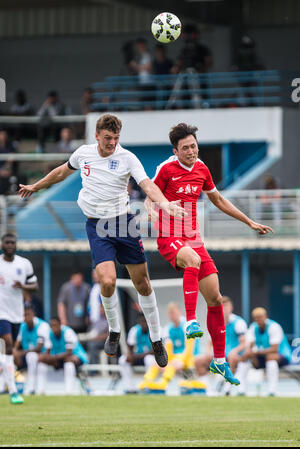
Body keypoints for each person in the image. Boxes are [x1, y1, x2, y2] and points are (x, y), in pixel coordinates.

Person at [19, 113, 186, 369]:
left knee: (142, 283)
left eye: (116, 138)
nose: (112, 143)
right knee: (106, 281)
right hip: (97, 225)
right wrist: (35, 186)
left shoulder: (127, 158)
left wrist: (164, 204)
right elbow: (61, 172)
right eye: (108, 138)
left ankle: (156, 338)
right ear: (97, 135)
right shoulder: (83, 153)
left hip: (124, 222)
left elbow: (147, 185)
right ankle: (114, 330)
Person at [145, 122, 273, 385]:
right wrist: (155, 213)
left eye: (194, 146)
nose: (191, 151)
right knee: (191, 259)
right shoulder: (166, 169)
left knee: (215, 298)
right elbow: (149, 196)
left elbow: (218, 199)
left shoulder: (202, 168)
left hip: (194, 239)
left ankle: (219, 361)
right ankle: (191, 321)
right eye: (186, 148)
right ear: (175, 150)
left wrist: (248, 222)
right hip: (170, 237)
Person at [0, 233, 38, 404]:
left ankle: (9, 386)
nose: (9, 245)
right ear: (2, 244)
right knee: (8, 344)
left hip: (17, 313)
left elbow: (35, 286)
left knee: (8, 352)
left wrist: (23, 286)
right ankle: (13, 390)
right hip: (1, 313)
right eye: (7, 242)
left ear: (16, 245)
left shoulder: (24, 264)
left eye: (12, 242)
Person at [138, 301, 202, 393]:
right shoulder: (168, 328)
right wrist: (165, 362)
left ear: (179, 312)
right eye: (170, 313)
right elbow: (168, 348)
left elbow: (189, 349)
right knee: (157, 364)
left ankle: (163, 383)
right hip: (176, 357)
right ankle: (146, 381)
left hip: (190, 357)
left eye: (174, 313)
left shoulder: (187, 326)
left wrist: (179, 360)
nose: (172, 315)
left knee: (172, 365)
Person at [239, 307, 292, 396]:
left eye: (260, 317)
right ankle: (241, 390)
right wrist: (250, 354)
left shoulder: (274, 327)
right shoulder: (253, 327)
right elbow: (251, 346)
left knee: (270, 357)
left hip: (281, 356)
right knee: (244, 357)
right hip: (263, 357)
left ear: (265, 317)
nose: (258, 320)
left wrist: (256, 353)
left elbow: (274, 349)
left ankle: (272, 391)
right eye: (255, 318)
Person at [39, 316, 89, 395]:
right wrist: (50, 359)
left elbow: (69, 353)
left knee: (69, 362)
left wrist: (53, 358)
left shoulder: (68, 332)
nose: (53, 328)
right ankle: (40, 391)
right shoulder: (49, 334)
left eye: (55, 325)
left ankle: (68, 392)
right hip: (60, 358)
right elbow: (47, 354)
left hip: (76, 357)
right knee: (41, 360)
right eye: (51, 325)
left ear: (60, 324)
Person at [13, 304, 50, 395]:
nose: (26, 317)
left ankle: (39, 390)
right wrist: (14, 352)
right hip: (28, 355)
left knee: (33, 357)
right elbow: (17, 343)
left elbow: (39, 348)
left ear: (33, 314)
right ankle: (15, 388)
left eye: (28, 314)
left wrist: (20, 353)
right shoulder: (22, 326)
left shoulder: (42, 325)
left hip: (45, 355)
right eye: (24, 315)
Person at [119, 313, 156, 394]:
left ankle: (148, 386)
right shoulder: (134, 330)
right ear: (139, 322)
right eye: (142, 322)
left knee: (149, 359)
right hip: (138, 357)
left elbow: (155, 351)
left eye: (145, 322)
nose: (144, 324)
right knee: (122, 360)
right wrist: (129, 356)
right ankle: (130, 388)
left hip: (151, 358)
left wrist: (137, 356)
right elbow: (130, 348)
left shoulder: (155, 330)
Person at [86, 270, 109, 367]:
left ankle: (94, 370)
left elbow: (108, 334)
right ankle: (87, 367)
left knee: (92, 344)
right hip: (94, 323)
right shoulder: (93, 288)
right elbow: (90, 305)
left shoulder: (104, 287)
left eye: (96, 275)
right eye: (93, 275)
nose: (94, 277)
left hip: (102, 329)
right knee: (86, 341)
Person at [0, 129, 17, 195]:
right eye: (1, 134)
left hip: (6, 169)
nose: (2, 136)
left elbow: (11, 159)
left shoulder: (10, 145)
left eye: (3, 135)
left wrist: (5, 169)